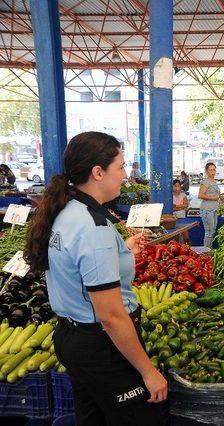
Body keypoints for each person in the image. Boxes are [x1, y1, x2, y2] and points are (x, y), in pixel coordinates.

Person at [23, 132, 167, 425]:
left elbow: (79, 265)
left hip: (70, 337)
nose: (125, 176)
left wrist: (121, 250)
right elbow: (111, 316)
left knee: (93, 418)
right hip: (101, 347)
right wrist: (148, 372)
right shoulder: (95, 228)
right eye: (121, 167)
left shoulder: (67, 211)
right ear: (98, 172)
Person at [199, 162, 221, 248]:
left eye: (214, 169)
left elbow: (217, 196)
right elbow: (200, 195)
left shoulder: (214, 182)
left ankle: (209, 250)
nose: (213, 171)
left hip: (214, 209)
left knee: (212, 231)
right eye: (210, 169)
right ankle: (206, 252)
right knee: (209, 232)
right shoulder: (205, 182)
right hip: (207, 210)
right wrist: (214, 198)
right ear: (206, 171)